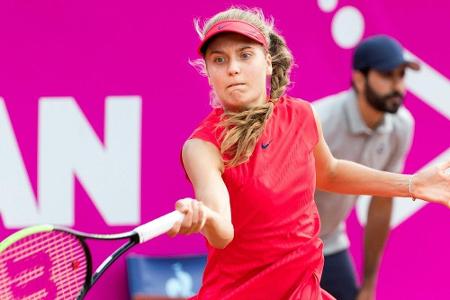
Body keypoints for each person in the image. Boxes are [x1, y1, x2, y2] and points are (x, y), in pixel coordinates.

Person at [167, 7, 450, 300]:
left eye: (245, 54)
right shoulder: (201, 147)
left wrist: (412, 184)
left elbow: (330, 173)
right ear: (209, 72)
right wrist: (205, 218)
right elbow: (223, 232)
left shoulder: (302, 115)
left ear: (268, 62)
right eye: (219, 59)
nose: (233, 68)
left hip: (304, 288)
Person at [313, 35, 418, 300]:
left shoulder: (401, 126)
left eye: (401, 75)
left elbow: (381, 203)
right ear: (359, 79)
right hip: (282, 247)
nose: (398, 86)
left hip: (329, 242)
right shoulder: (319, 121)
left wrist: (369, 284)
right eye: (387, 75)